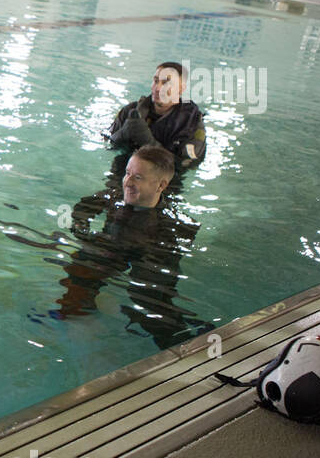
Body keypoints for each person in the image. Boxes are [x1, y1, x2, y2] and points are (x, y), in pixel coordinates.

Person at [47, 146, 213, 349]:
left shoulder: (172, 223)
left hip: (148, 253)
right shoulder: (114, 197)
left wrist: (147, 265)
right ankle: (75, 314)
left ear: (161, 185)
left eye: (138, 177)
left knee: (149, 300)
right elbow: (83, 209)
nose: (127, 182)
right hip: (111, 246)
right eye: (127, 173)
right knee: (80, 270)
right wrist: (82, 231)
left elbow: (171, 253)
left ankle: (181, 340)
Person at [107, 61, 207, 169]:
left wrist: (147, 141)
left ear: (181, 89)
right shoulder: (130, 111)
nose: (158, 88)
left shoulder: (191, 124)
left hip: (164, 181)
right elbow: (108, 143)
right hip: (125, 168)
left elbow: (187, 164)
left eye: (166, 83)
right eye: (156, 81)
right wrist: (123, 133)